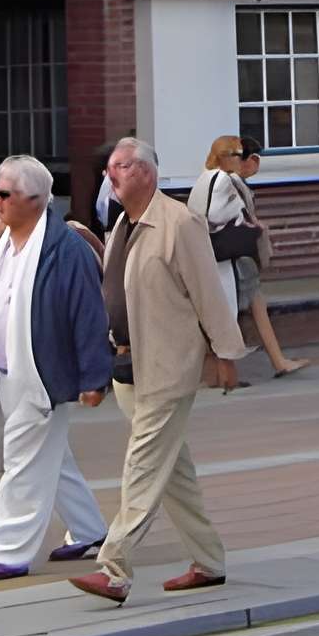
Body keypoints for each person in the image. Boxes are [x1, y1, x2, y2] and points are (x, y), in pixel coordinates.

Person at [70, 137, 243, 604]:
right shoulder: (123, 224)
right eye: (109, 169)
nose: (112, 176)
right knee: (172, 470)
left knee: (143, 467)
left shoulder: (178, 223)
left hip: (166, 365)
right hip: (127, 365)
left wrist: (225, 354)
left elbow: (209, 291)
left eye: (121, 167)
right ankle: (209, 561)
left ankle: (115, 568)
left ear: (147, 172)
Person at [0, 154, 114, 578]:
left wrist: (94, 378)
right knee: (52, 455)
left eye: (5, 194)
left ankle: (8, 552)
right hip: (10, 371)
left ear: (36, 200)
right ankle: (88, 530)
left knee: (23, 460)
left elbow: (88, 315)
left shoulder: (66, 251)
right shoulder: (4, 242)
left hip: (42, 374)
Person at [198, 135, 308, 381]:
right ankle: (228, 374)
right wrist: (245, 221)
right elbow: (217, 215)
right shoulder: (226, 182)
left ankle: (223, 374)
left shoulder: (210, 179)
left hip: (220, 255)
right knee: (232, 312)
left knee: (247, 306)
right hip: (232, 256)